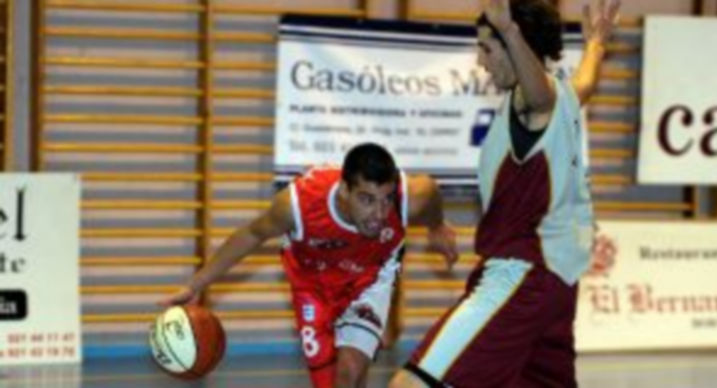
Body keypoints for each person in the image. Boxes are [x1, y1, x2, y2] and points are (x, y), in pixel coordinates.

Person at [390, 0, 620, 386]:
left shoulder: (533, 104)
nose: (480, 60)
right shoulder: (565, 99)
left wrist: (510, 31)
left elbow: (539, 96)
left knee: (411, 384)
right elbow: (587, 82)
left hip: (519, 276)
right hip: (557, 284)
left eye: (486, 47)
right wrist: (596, 44)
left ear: (519, 47)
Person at [160, 143, 459, 388]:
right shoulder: (298, 205)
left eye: (386, 200)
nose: (378, 214)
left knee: (350, 372)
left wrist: (436, 226)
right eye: (367, 200)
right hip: (312, 284)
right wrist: (195, 284)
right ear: (344, 191)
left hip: (370, 277)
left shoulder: (412, 197)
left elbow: (431, 192)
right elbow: (251, 234)